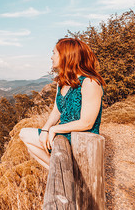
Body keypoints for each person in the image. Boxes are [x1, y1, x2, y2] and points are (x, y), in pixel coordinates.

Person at [19, 37, 105, 170]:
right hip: (63, 134)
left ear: (66, 56)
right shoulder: (62, 82)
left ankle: (62, 172)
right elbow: (56, 111)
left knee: (25, 134)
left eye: (54, 53)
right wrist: (45, 130)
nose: (51, 57)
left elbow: (87, 123)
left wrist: (54, 129)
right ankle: (61, 171)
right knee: (32, 147)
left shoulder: (90, 83)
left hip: (81, 138)